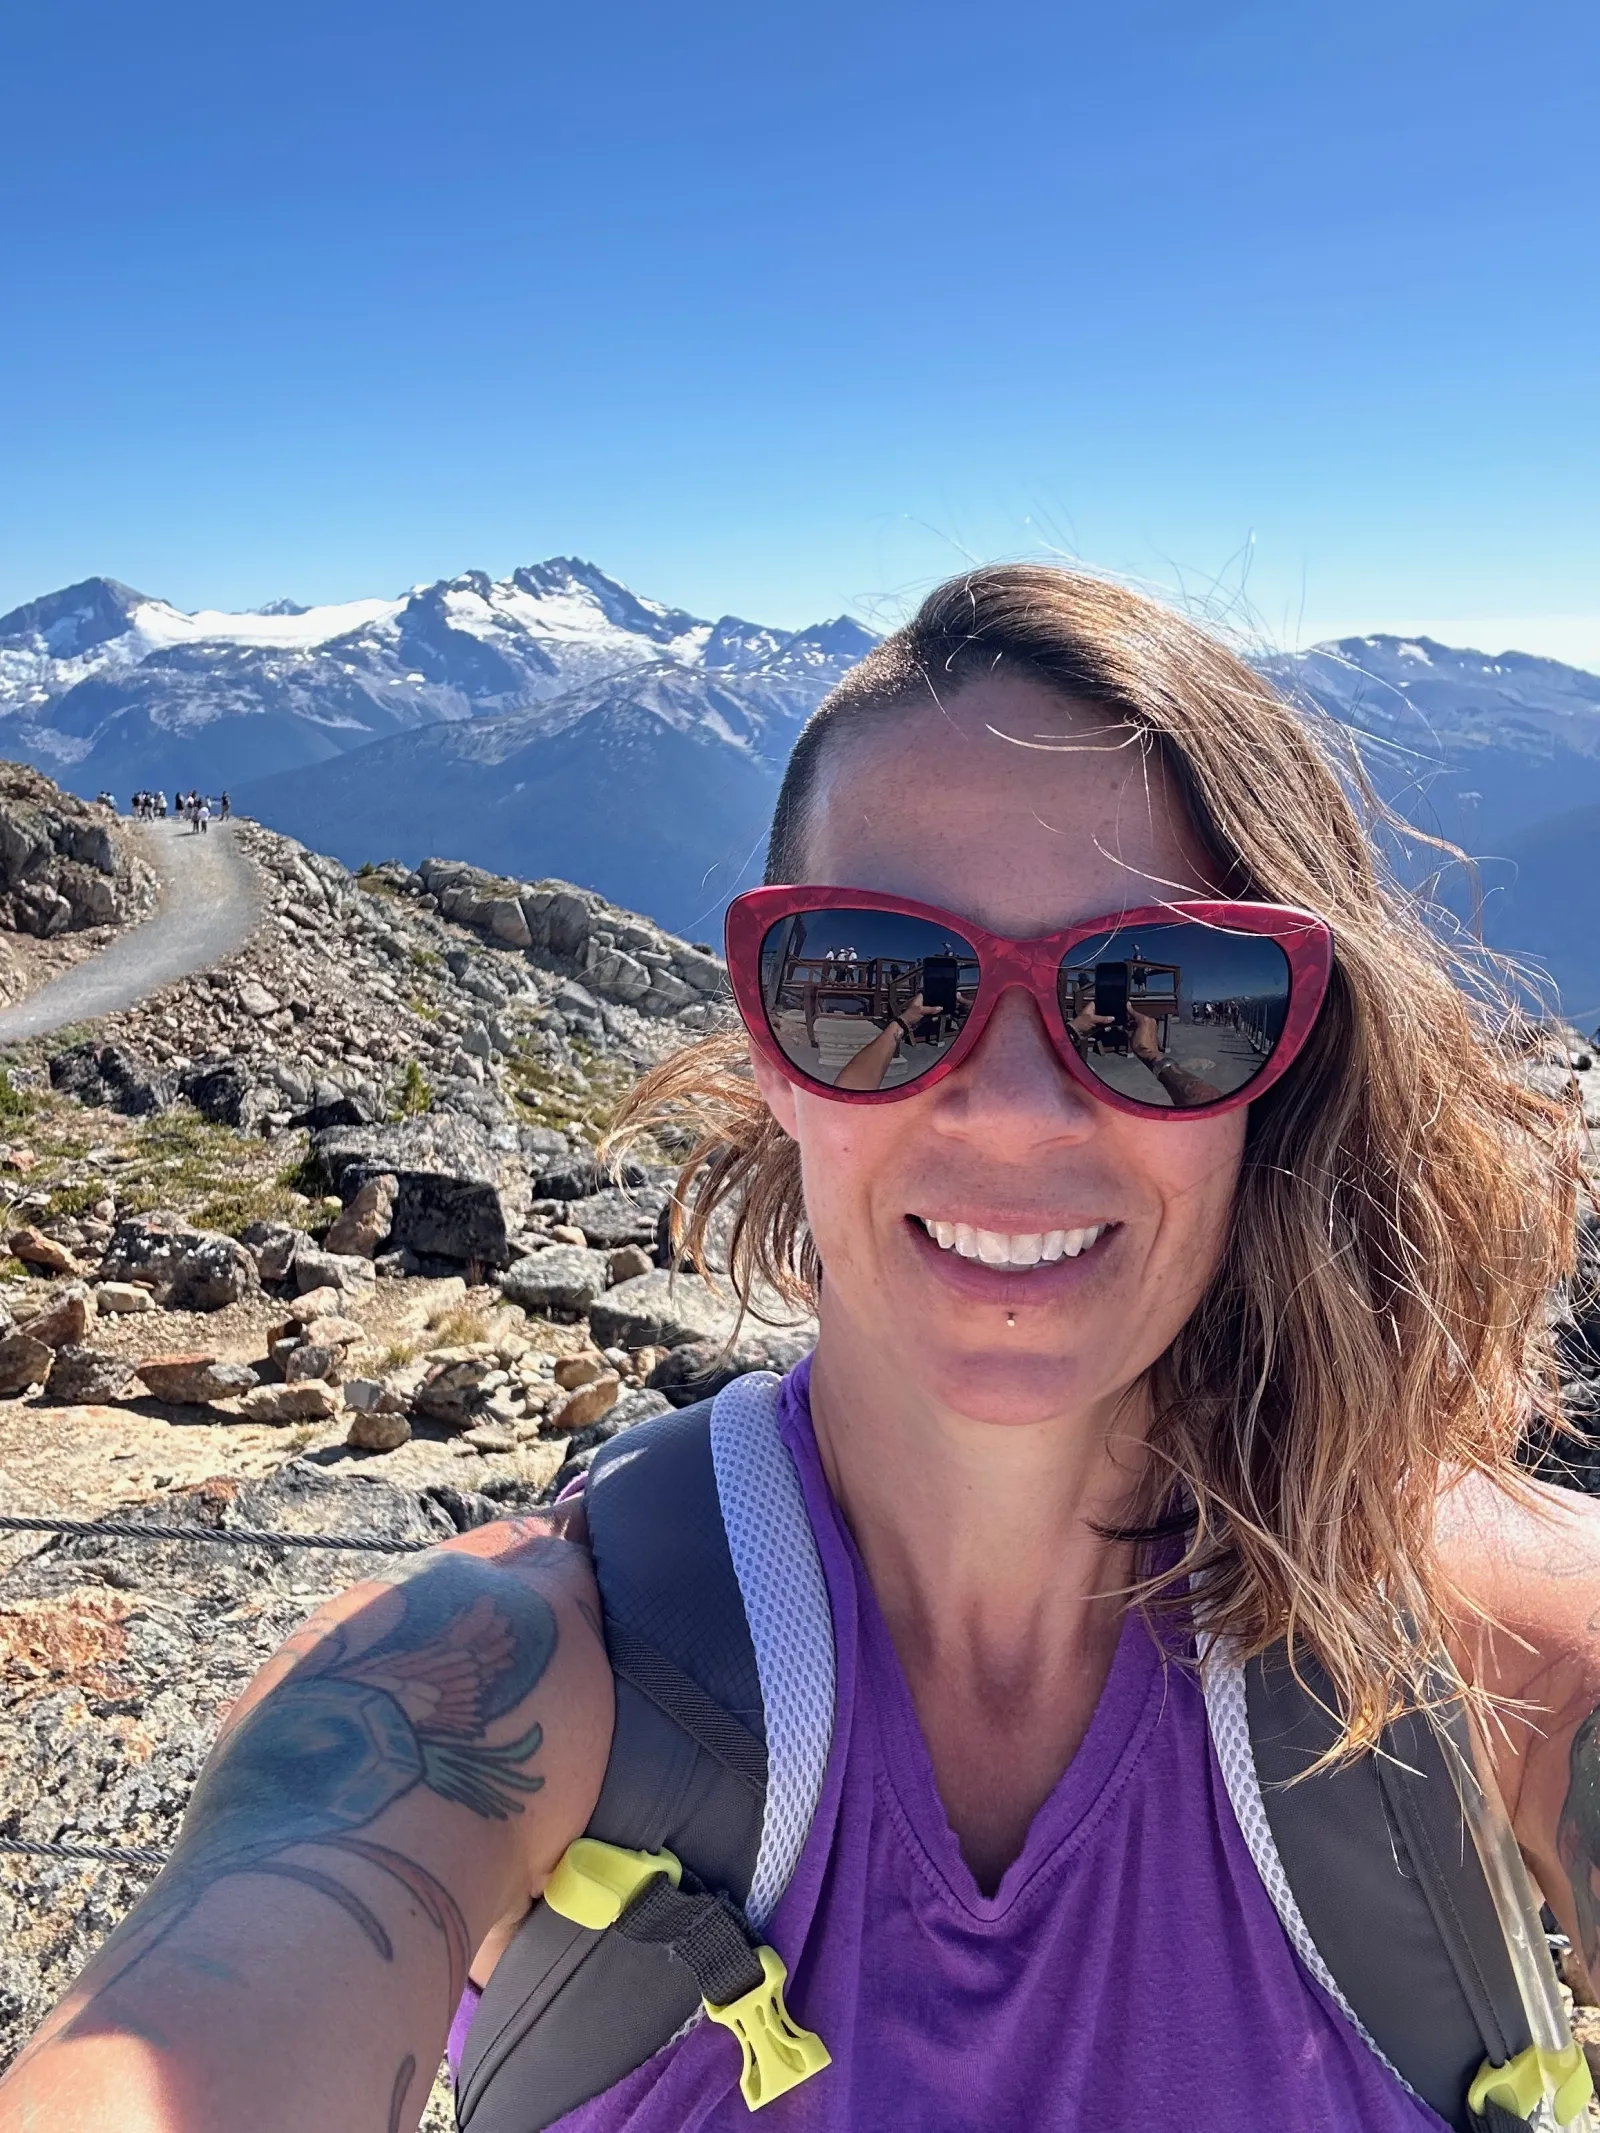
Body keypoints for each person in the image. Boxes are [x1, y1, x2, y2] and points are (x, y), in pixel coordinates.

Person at [2, 563, 1594, 2132]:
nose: (1018, 1109)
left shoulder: (1478, 1635)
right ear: (770, 1050)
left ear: (1293, 1061)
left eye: (1168, 1000)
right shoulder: (489, 1685)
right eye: (877, 991)